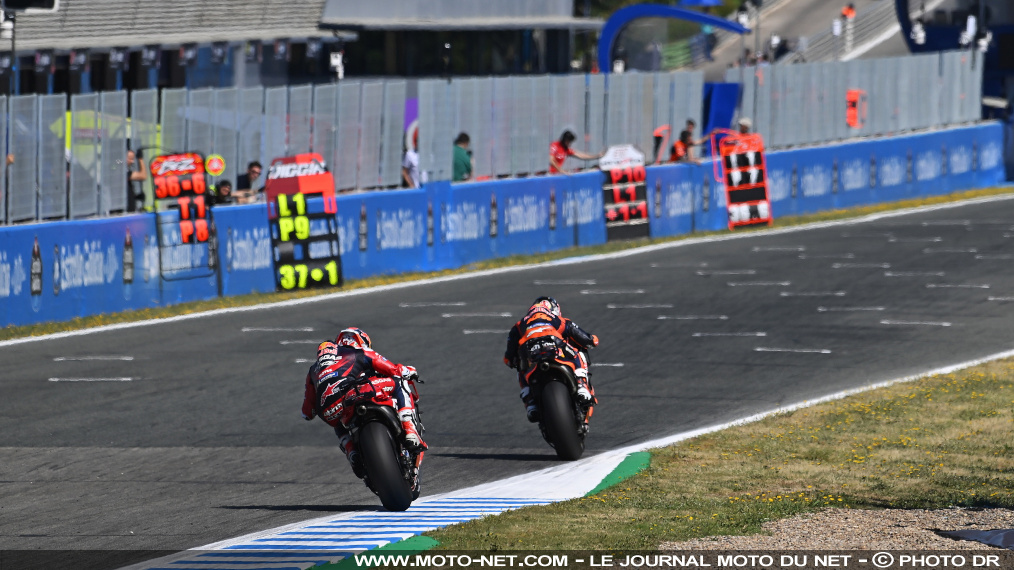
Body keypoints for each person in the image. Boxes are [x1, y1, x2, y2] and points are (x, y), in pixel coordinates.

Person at [301, 328, 426, 478]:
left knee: (339, 422)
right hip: (362, 391)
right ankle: (409, 428)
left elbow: (307, 412)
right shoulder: (359, 351)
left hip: (329, 410)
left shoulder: (313, 370)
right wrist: (408, 371)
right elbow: (393, 369)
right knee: (399, 382)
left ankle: (351, 451)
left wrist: (310, 412)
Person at [503, 297, 599, 422]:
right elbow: (584, 337)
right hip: (553, 346)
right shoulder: (556, 319)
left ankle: (530, 402)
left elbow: (508, 357)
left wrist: (511, 360)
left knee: (521, 367)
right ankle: (581, 385)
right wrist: (593, 340)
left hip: (530, 352)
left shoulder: (519, 325)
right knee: (577, 352)